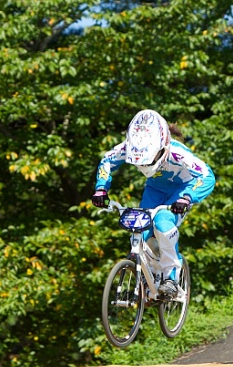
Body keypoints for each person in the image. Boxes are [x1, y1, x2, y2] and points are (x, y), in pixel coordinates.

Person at [92, 109, 215, 298]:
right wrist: (101, 189)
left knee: (162, 222)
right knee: (140, 227)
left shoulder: (178, 153)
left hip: (182, 189)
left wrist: (188, 197)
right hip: (155, 190)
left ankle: (171, 278)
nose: (144, 166)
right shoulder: (128, 147)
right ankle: (147, 277)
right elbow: (107, 161)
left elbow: (207, 176)